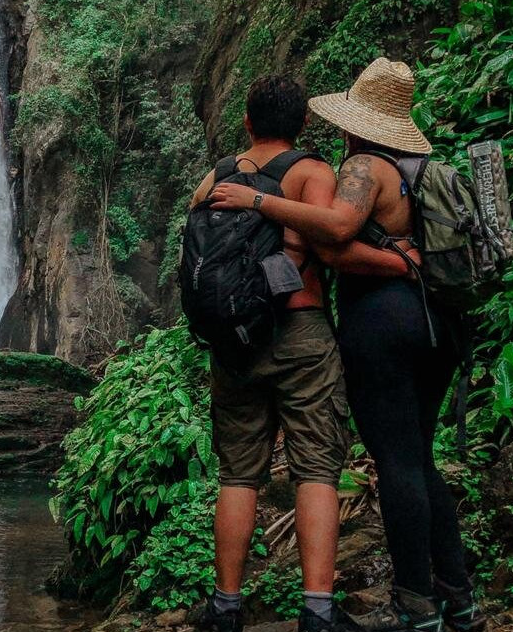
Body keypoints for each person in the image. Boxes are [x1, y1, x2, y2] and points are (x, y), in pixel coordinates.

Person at [210, 59, 485, 632]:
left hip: (381, 328)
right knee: (417, 458)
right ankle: (457, 597)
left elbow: (333, 237)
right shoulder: (420, 167)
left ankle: (415, 604)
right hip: (436, 325)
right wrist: (404, 263)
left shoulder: (362, 165)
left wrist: (257, 202)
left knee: (397, 464)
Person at [192, 76, 414, 632]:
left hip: (233, 343)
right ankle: (317, 608)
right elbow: (332, 245)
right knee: (317, 467)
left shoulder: (213, 178)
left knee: (238, 474)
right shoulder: (311, 172)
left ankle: (225, 606)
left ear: (246, 121)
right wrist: (404, 260)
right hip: (299, 331)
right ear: (305, 124)